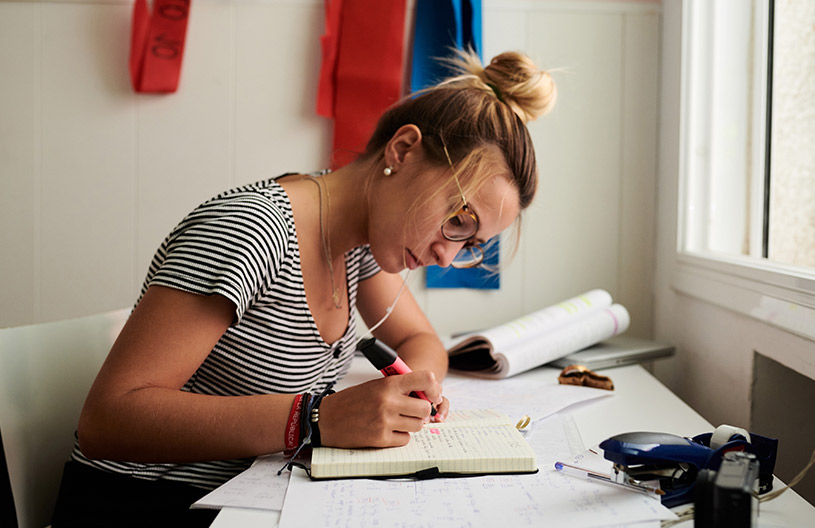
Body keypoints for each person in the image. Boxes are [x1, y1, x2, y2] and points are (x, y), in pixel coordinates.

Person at [51, 49, 556, 527]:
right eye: (458, 218)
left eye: (472, 243)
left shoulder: (363, 239)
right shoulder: (247, 232)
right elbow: (107, 421)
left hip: (253, 501)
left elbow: (419, 342)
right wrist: (316, 418)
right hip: (146, 506)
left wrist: (419, 387)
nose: (448, 253)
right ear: (402, 150)